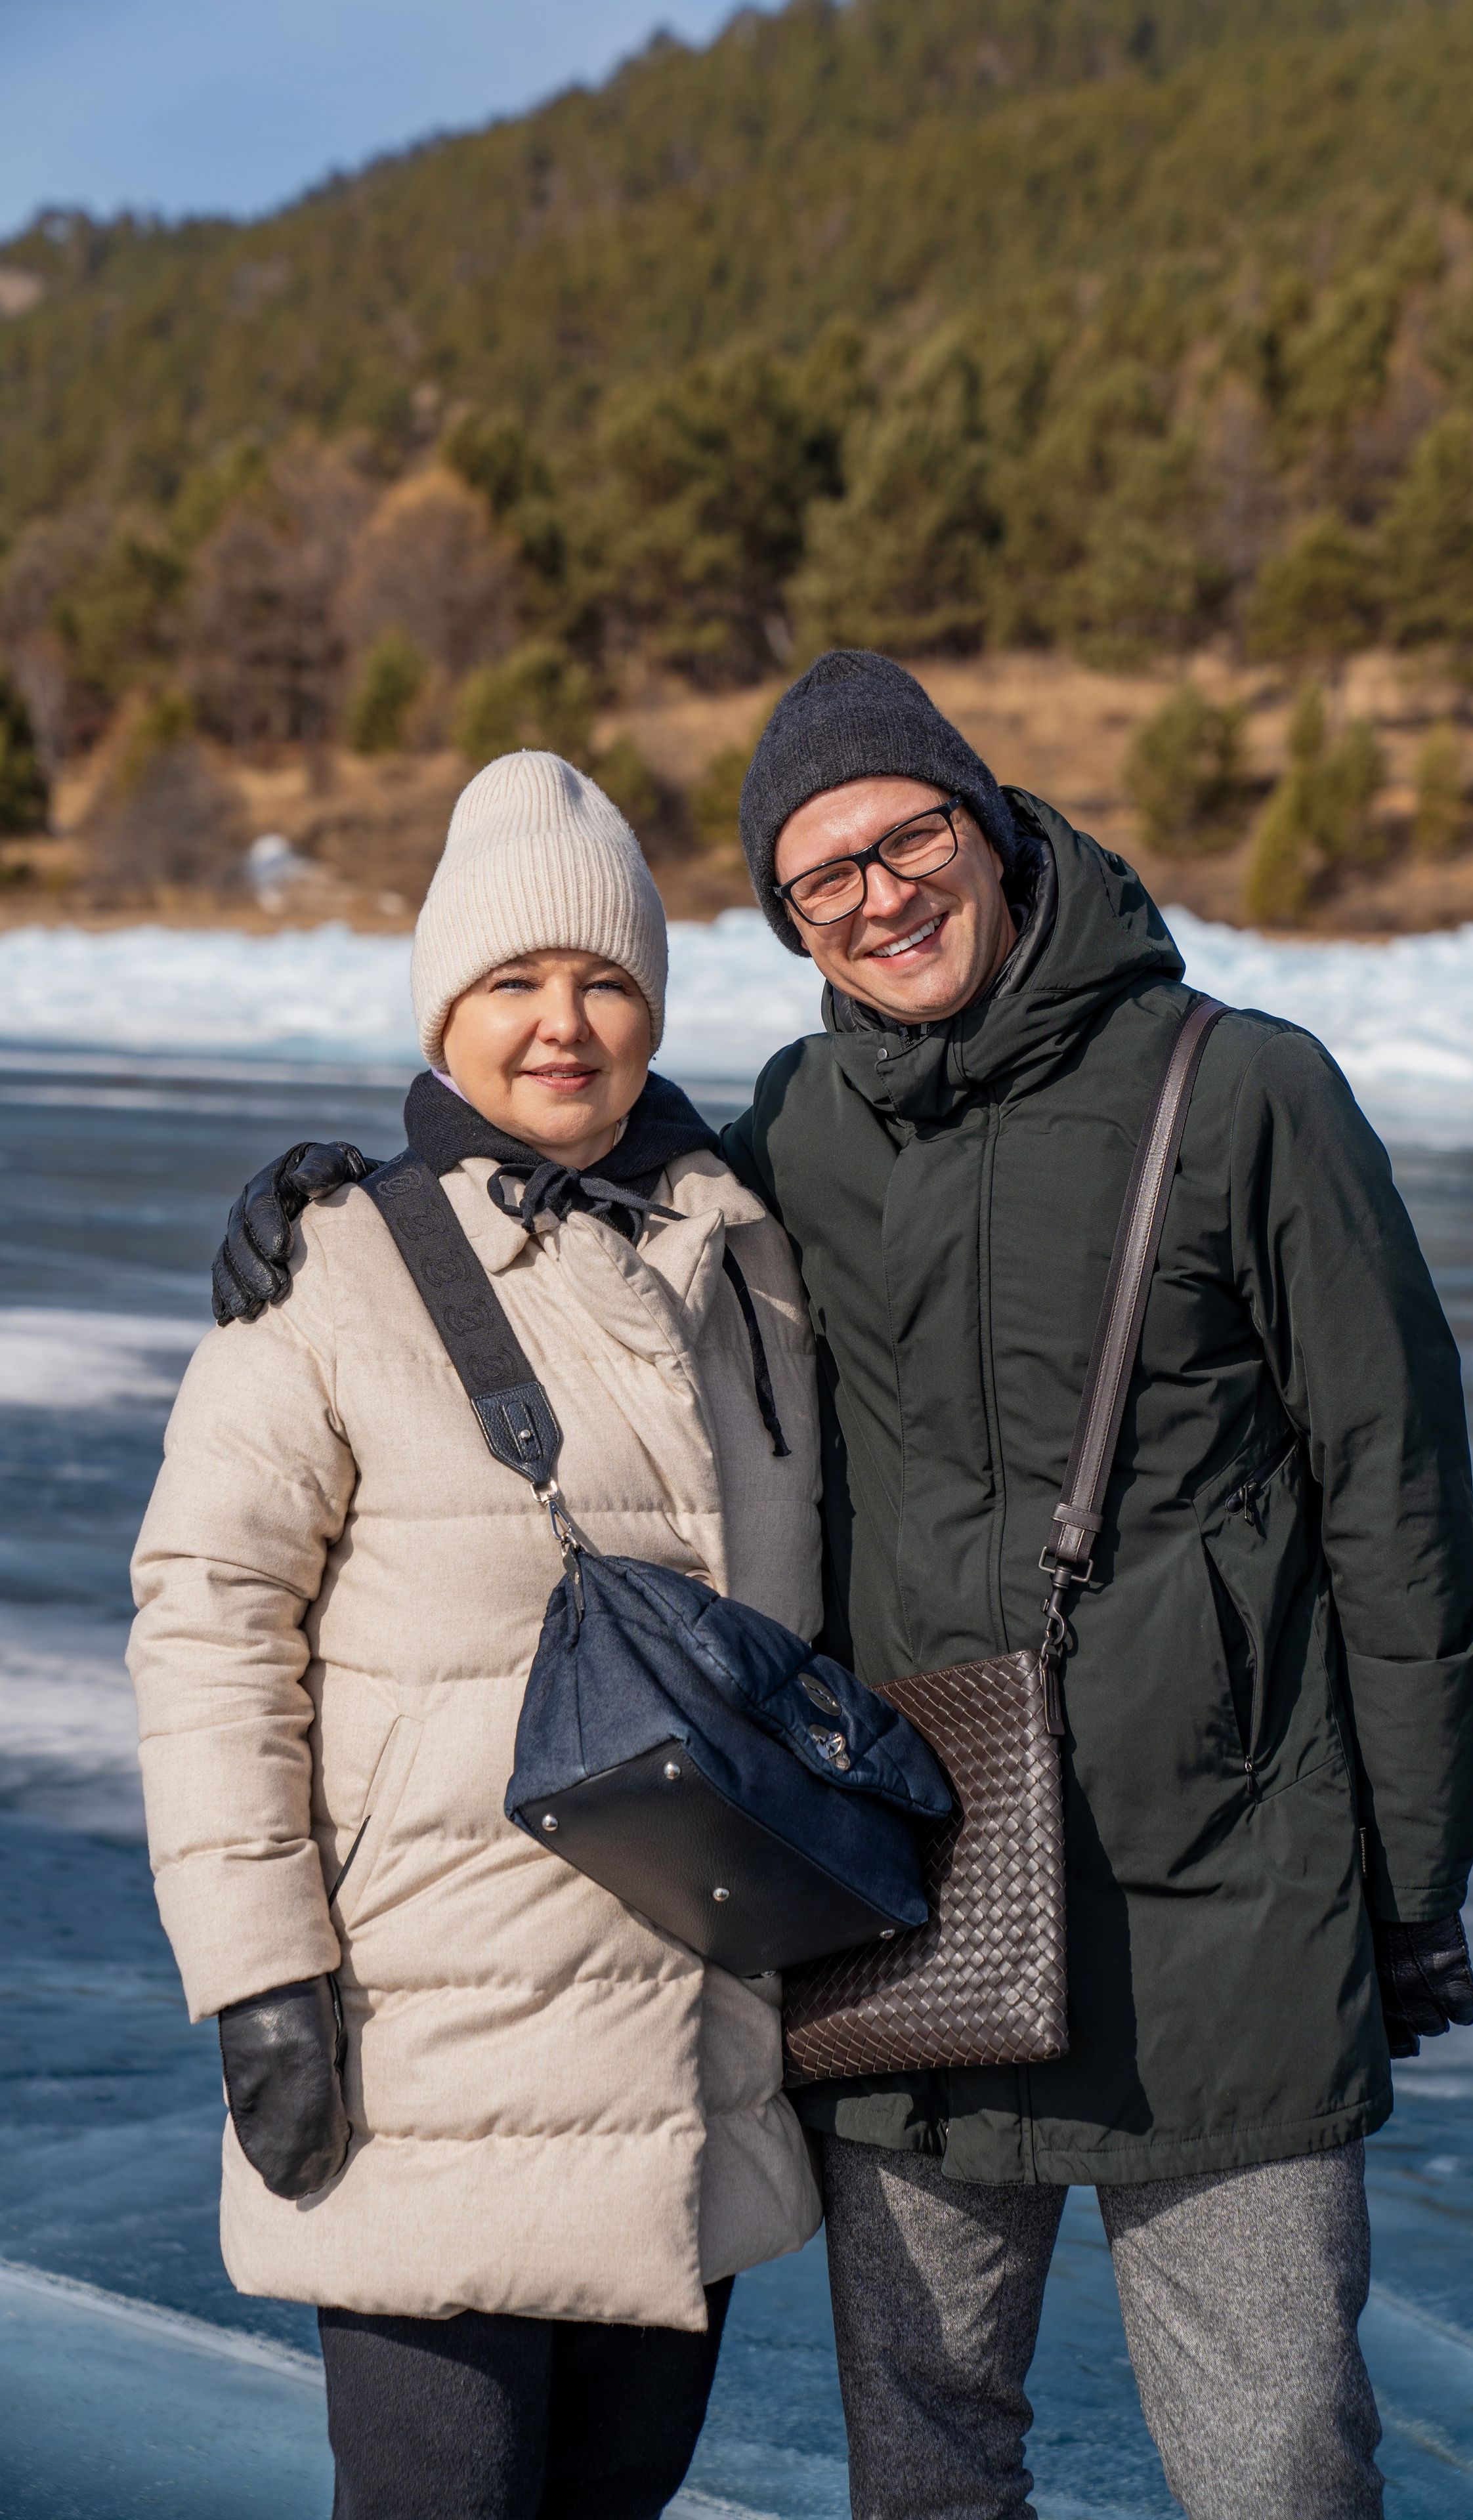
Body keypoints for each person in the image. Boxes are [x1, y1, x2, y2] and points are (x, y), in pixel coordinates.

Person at [214, 655, 1473, 2520]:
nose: (881, 895)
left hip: (1228, 1909)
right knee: (925, 2457)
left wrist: (1412, 1881)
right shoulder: (802, 1129)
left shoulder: (1248, 1096)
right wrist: (378, 1184)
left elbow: (1399, 1506)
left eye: (911, 838)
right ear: (790, 920)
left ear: (990, 828)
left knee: (1280, 2460)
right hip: (918, 1892)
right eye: (825, 878)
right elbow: (591, 1206)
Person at [134, 751, 824, 2520]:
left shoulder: (748, 1260)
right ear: (447, 1007)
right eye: (514, 980)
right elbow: (209, 1636)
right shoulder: (331, 1273)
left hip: (692, 2033)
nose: (564, 1023)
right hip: (420, 2046)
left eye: (604, 981)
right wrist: (259, 1975)